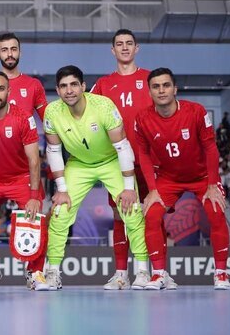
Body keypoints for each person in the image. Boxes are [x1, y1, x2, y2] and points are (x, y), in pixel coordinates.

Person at [43, 65, 149, 290]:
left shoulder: (103, 106)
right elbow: (53, 151)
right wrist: (61, 189)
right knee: (60, 212)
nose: (69, 90)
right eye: (63, 86)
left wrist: (129, 187)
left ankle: (142, 271)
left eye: (74, 84)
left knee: (132, 211)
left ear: (83, 86)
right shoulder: (52, 112)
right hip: (79, 164)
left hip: (111, 160)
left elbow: (122, 147)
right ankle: (52, 272)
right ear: (58, 90)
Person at [134, 68, 230, 290]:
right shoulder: (143, 118)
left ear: (175, 89)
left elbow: (210, 147)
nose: (161, 90)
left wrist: (212, 184)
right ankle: (159, 275)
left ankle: (221, 274)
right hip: (169, 178)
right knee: (152, 215)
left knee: (216, 212)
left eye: (166, 85)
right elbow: (144, 154)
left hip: (202, 177)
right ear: (149, 92)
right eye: (156, 86)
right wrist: (153, 189)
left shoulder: (196, 111)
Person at [0, 32, 48, 289]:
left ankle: (35, 272)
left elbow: (49, 121)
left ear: (20, 51)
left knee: (36, 214)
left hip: (23, 170)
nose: (9, 54)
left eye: (13, 49)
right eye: (4, 50)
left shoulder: (33, 85)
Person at [89, 29, 153, 290]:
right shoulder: (103, 84)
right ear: (112, 50)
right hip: (117, 162)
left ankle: (155, 272)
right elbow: (88, 115)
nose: (124, 47)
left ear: (136, 48)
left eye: (129, 43)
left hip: (149, 160)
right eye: (119, 44)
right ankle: (121, 274)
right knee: (120, 215)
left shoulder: (150, 79)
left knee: (153, 215)